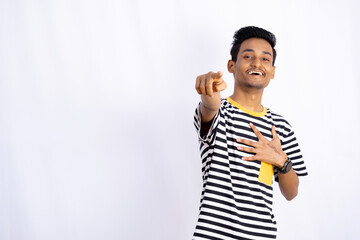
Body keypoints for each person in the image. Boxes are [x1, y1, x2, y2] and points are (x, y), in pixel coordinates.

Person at [193, 26, 308, 239]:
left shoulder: (280, 126)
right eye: (248, 56)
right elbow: (209, 107)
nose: (257, 63)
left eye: (265, 59)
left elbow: (291, 193)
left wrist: (280, 160)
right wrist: (209, 91)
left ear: (272, 71)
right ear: (231, 65)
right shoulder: (222, 112)